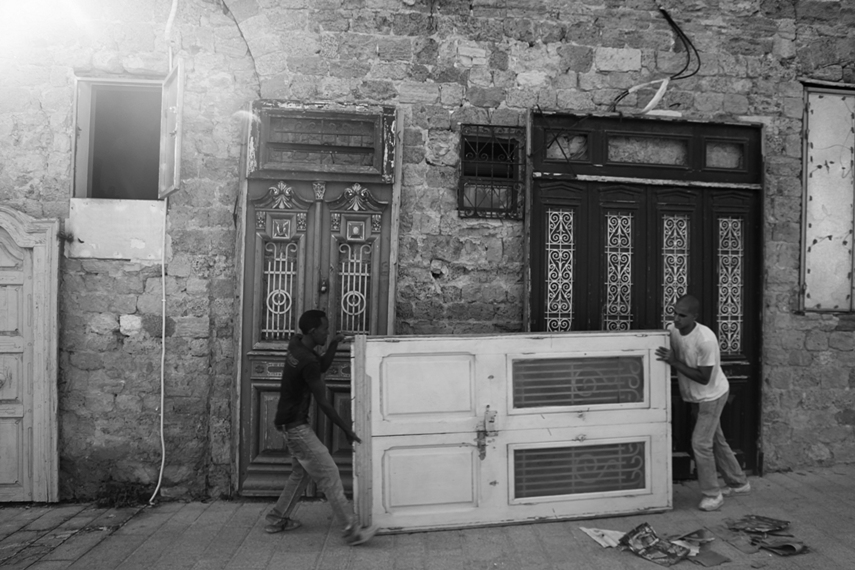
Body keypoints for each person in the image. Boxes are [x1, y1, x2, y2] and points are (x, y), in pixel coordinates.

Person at [264, 309, 376, 545]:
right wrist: (346, 429)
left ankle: (277, 519)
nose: (327, 332)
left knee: (301, 473)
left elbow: (320, 365)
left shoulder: (296, 344)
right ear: (313, 331)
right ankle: (351, 530)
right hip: (295, 427)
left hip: (287, 422)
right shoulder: (307, 360)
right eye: (325, 329)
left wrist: (333, 344)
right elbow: (323, 402)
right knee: (329, 473)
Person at [655, 294, 750, 511]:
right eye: (674, 313)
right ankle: (739, 483)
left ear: (694, 316)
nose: (676, 319)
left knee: (700, 443)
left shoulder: (705, 340)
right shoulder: (672, 330)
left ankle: (713, 495)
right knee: (716, 440)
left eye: (682, 315)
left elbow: (704, 378)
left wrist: (674, 362)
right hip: (696, 396)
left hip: (712, 396)